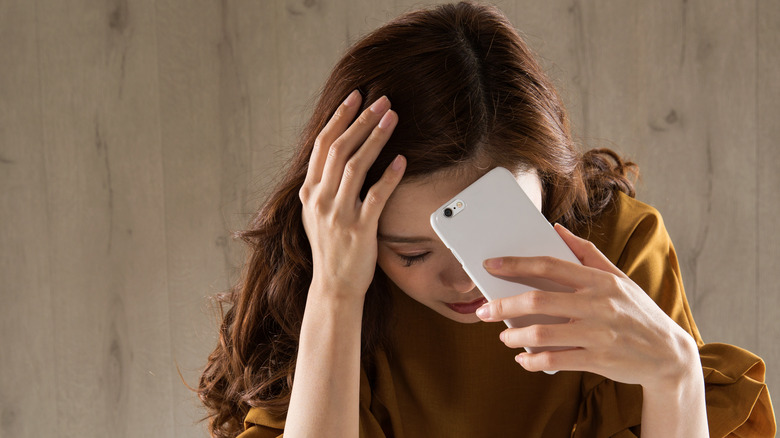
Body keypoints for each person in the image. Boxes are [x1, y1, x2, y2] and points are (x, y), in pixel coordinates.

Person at [198, 2, 775, 437]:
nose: (465, 281)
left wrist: (675, 375)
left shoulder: (618, 245)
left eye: (492, 230)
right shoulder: (332, 272)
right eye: (413, 253)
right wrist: (335, 291)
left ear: (547, 186)